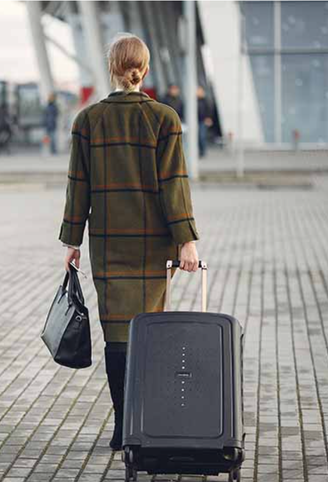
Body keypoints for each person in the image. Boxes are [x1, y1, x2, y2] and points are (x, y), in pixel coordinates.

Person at [59, 33, 200, 451]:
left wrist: (72, 241)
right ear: (145, 68)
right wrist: (186, 241)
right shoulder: (164, 118)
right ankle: (145, 423)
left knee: (117, 335)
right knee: (149, 332)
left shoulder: (87, 120)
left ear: (111, 68)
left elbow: (76, 187)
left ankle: (123, 425)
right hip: (153, 245)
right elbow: (175, 186)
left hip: (108, 244)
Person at [196, 86, 214, 158]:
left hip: (203, 121)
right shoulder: (194, 100)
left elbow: (210, 110)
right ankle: (198, 151)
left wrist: (208, 118)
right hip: (195, 121)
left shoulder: (206, 101)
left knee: (202, 136)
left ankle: (203, 151)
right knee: (197, 137)